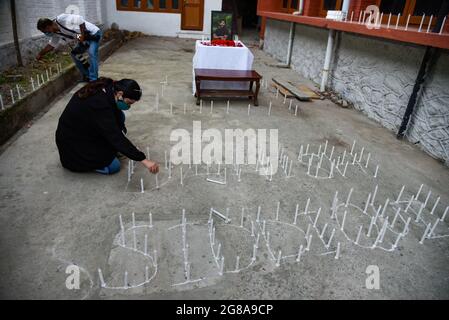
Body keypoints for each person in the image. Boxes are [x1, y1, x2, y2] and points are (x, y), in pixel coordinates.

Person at [55, 78, 159, 175]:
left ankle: (107, 149)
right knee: (114, 166)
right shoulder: (99, 105)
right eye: (128, 102)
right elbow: (115, 136)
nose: (128, 106)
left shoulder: (110, 86)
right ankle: (91, 165)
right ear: (120, 94)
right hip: (74, 145)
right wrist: (143, 160)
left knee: (120, 116)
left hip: (85, 130)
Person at [36, 14, 102, 82]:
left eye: (44, 31)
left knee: (92, 53)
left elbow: (80, 19)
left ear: (48, 27)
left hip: (93, 33)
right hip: (82, 37)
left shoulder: (61, 19)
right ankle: (87, 75)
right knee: (74, 54)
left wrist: (82, 35)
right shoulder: (55, 33)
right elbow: (51, 45)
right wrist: (40, 54)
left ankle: (94, 79)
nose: (46, 33)